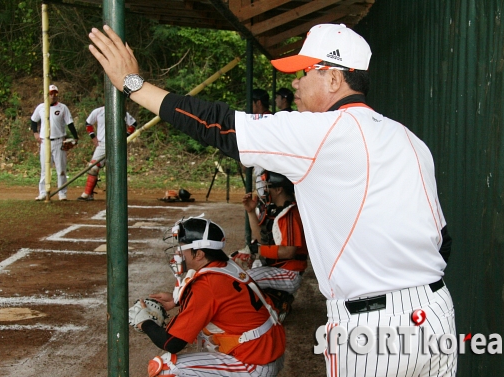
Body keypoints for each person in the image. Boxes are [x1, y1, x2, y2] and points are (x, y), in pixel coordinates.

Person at [89, 22, 456, 376]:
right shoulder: (409, 139)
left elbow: (219, 125)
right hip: (435, 312)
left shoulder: (319, 131)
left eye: (304, 72)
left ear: (333, 78)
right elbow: (442, 242)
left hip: (371, 326)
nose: (295, 83)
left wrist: (133, 85)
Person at [129, 215, 285, 376]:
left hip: (253, 363)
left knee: (166, 368)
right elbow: (218, 300)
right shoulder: (225, 265)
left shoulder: (206, 285)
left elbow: (171, 343)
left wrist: (144, 322)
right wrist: (177, 300)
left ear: (199, 254)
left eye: (182, 247)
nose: (177, 252)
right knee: (205, 336)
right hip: (265, 350)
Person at [235, 171, 308, 322]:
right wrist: (250, 212)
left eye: (268, 186)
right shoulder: (275, 209)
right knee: (236, 272)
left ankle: (278, 303)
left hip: (289, 272)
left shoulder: (290, 214)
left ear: (279, 189)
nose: (264, 190)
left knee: (244, 280)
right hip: (276, 268)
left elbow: (288, 251)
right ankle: (276, 298)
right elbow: (261, 238)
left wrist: (257, 250)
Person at [77, 105, 137, 201]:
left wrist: (124, 137)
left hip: (116, 145)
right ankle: (88, 193)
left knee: (116, 170)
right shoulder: (98, 111)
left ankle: (117, 196)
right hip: (102, 145)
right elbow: (88, 123)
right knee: (93, 167)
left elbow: (133, 124)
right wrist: (93, 138)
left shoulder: (121, 111)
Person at [30, 84, 78, 201]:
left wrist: (75, 137)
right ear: (47, 95)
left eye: (55, 93)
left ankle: (62, 193)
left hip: (58, 141)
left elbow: (70, 123)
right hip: (45, 141)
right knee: (44, 168)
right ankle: (42, 192)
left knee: (61, 169)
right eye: (51, 94)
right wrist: (35, 133)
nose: (53, 96)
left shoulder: (62, 108)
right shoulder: (41, 107)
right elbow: (33, 120)